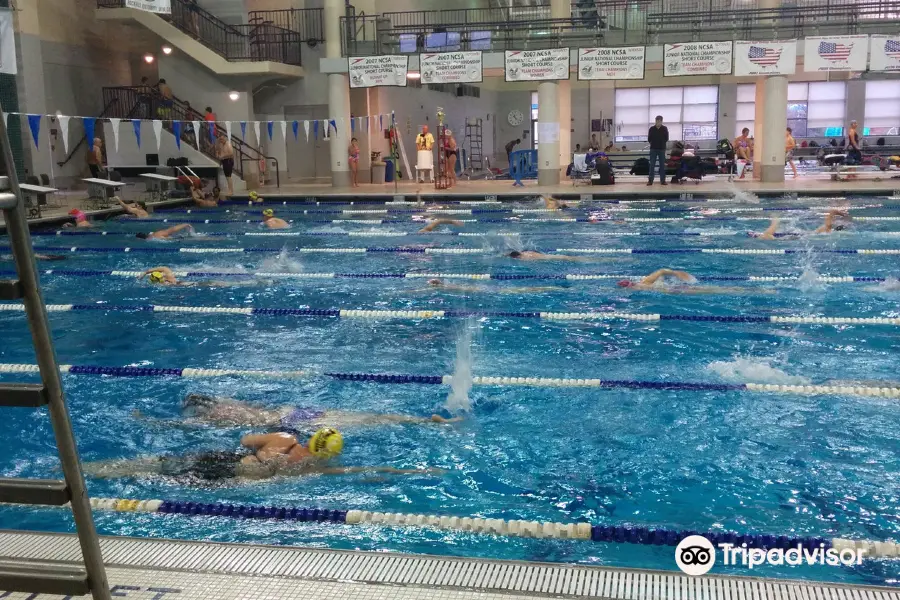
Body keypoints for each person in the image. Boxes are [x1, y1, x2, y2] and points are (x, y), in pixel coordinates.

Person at [81, 429, 442, 482]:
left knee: (150, 465)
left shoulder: (283, 438)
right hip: (225, 478)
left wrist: (258, 446)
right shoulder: (308, 469)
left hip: (222, 457)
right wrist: (412, 470)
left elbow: (245, 438)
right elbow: (359, 470)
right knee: (153, 475)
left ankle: (87, 469)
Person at [140, 393, 462, 430]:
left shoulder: (221, 416)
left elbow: (183, 426)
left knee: (366, 421)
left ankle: (424, 423)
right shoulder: (232, 405)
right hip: (298, 411)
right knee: (367, 418)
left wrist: (153, 422)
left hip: (287, 420)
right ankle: (422, 421)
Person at [617, 268, 775, 295]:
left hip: (677, 290)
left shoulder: (643, 285)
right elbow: (662, 270)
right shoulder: (644, 282)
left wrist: (676, 273)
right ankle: (759, 290)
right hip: (676, 289)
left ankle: (760, 290)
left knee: (715, 290)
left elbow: (662, 271)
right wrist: (676, 273)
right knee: (714, 289)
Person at [427, 278, 563, 294]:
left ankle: (553, 288)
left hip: (494, 291)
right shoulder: (449, 286)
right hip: (493, 290)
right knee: (526, 290)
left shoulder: (448, 287)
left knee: (525, 291)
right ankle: (553, 288)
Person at [647, 116, 668, 186]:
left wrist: (661, 143)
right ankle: (650, 180)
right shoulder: (651, 129)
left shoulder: (664, 129)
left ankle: (663, 180)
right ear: (655, 121)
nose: (658, 122)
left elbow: (666, 138)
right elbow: (649, 139)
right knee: (652, 165)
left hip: (662, 149)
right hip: (653, 149)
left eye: (659, 121)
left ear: (661, 121)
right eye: (657, 121)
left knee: (662, 165)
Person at [507, 250, 592, 262]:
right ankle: (583, 259)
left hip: (548, 258)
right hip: (547, 255)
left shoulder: (524, 258)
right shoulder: (526, 252)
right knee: (566, 257)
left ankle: (584, 259)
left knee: (567, 259)